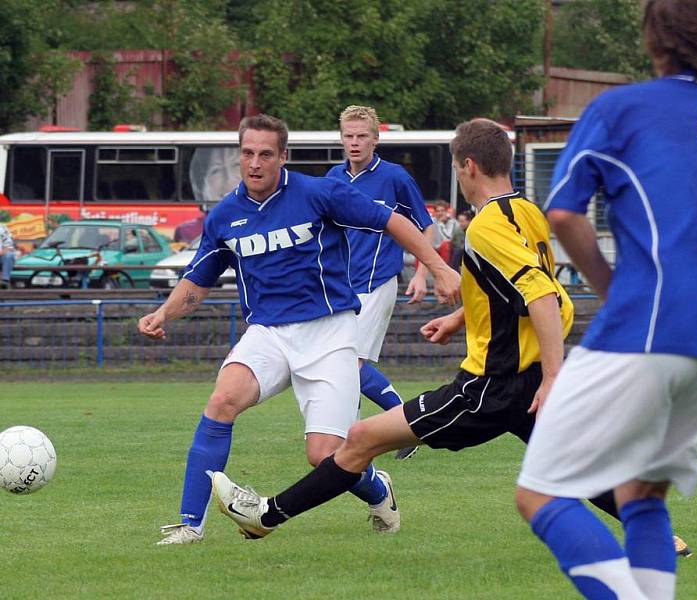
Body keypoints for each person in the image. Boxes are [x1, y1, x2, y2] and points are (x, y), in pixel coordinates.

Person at [208, 118, 653, 544]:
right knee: (572, 464)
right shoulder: (526, 212)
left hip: (489, 387)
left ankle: (265, 516)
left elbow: (540, 297)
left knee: (361, 439)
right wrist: (461, 318)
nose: (459, 176)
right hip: (526, 379)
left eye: (457, 168)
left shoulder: (485, 226)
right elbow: (529, 292)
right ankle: (662, 537)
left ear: (469, 167)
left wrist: (556, 375)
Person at [515, 2, 697, 599]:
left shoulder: (624, 108)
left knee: (541, 491)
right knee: (640, 493)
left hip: (647, 332)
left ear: (654, 38)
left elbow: (563, 212)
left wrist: (611, 287)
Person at [139, 114, 460, 545]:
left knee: (325, 458)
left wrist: (438, 268)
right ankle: (189, 525)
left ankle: (377, 488)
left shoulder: (318, 192)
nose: (255, 163)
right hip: (268, 334)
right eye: (247, 153)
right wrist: (164, 314)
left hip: (329, 333)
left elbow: (394, 222)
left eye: (265, 154)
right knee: (222, 400)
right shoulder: (225, 216)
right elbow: (197, 280)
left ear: (283, 157)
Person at [326, 105, 435, 461]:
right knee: (337, 363)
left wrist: (421, 272)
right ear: (341, 138)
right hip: (340, 287)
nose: (355, 143)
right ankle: (366, 431)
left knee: (349, 364)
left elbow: (425, 225)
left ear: (376, 139)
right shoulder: (333, 178)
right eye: (349, 136)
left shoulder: (394, 177)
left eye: (362, 136)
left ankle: (402, 427)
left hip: (377, 282)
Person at [0, 223, 16, 288]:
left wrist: (2, 252)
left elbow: (9, 246)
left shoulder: (2, 228)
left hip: (1, 256)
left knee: (9, 255)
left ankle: (5, 281)